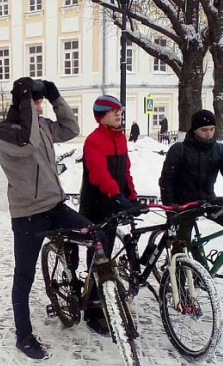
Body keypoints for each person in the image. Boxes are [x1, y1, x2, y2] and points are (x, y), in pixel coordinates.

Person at [0, 77, 102, 359]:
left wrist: (57, 99)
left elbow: (70, 129)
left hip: (55, 207)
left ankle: (88, 300)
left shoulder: (42, 125)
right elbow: (27, 145)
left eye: (40, 101)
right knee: (24, 277)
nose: (38, 106)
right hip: (28, 215)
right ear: (22, 102)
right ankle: (24, 336)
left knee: (96, 236)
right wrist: (27, 101)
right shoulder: (4, 132)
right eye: (35, 101)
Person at [159, 109, 223, 278]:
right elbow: (166, 181)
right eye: (204, 130)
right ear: (195, 130)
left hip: (208, 201)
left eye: (211, 129)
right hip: (183, 205)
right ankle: (177, 283)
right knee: (181, 244)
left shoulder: (219, 150)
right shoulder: (179, 150)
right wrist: (170, 208)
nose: (208, 133)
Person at [79, 94, 138, 332]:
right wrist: (116, 195)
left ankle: (104, 295)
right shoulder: (94, 141)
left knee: (109, 250)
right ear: (102, 116)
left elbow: (125, 171)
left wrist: (131, 195)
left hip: (115, 202)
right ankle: (93, 309)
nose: (119, 115)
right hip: (97, 205)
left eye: (120, 111)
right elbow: (98, 174)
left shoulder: (120, 138)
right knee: (98, 255)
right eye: (114, 111)